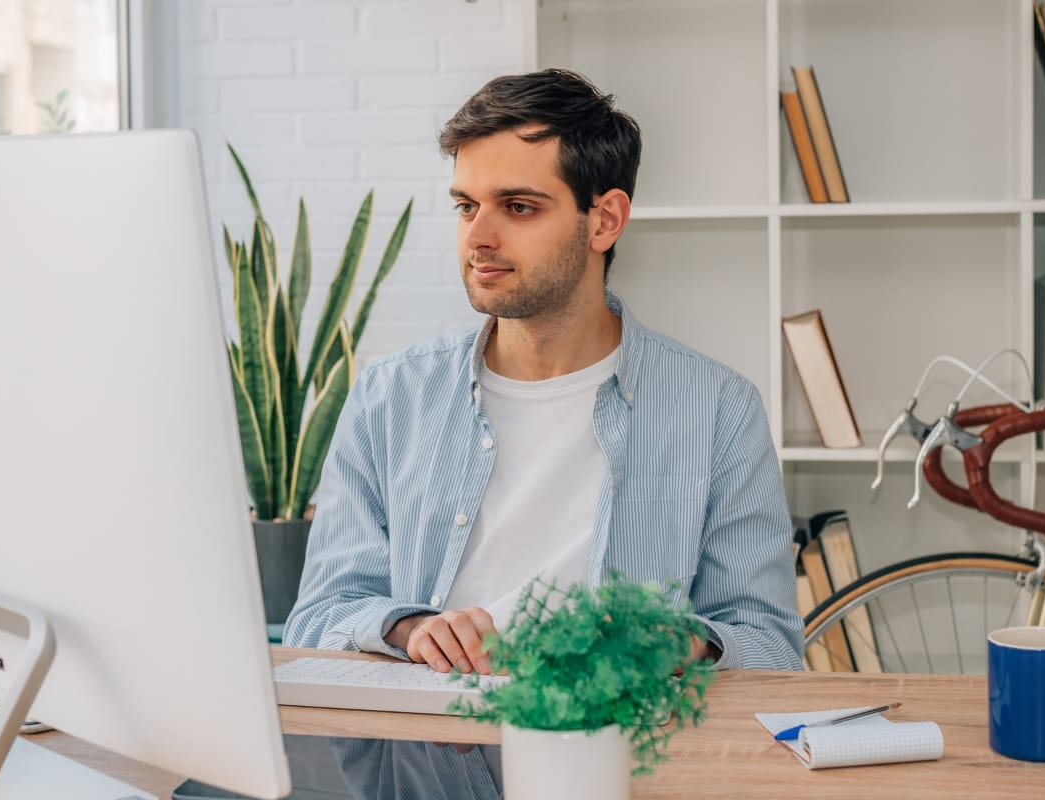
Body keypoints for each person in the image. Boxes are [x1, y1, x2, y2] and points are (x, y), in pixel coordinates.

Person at [284, 68, 804, 673]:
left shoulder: (717, 408)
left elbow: (771, 647)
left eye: (518, 207)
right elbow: (319, 617)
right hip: (429, 753)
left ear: (605, 221)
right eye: (465, 206)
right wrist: (410, 628)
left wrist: (682, 642)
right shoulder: (388, 398)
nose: (478, 236)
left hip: (621, 752)